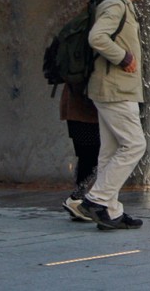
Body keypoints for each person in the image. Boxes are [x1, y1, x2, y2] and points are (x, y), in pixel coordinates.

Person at [77, 0, 150, 230]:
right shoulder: (116, 4)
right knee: (134, 145)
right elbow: (97, 37)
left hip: (112, 89)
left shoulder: (117, 3)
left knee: (110, 151)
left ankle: (110, 212)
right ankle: (96, 199)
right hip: (116, 89)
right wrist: (123, 57)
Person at [60, 84, 100, 221]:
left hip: (77, 108)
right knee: (92, 155)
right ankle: (77, 199)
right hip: (85, 109)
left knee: (88, 155)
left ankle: (78, 200)